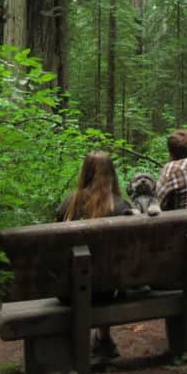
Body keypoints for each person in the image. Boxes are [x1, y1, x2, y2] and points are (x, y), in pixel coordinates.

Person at [56, 151, 131, 358]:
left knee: (86, 273)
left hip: (68, 290)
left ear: (84, 173)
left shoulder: (68, 205)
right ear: (113, 174)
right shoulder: (121, 207)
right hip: (108, 290)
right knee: (108, 271)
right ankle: (103, 338)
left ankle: (87, 342)